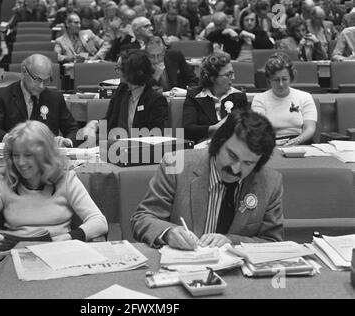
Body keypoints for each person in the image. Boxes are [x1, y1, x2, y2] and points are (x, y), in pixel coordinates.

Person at [131, 110, 283, 250]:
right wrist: (168, 233)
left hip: (238, 275)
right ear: (218, 143)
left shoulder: (270, 182)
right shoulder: (177, 164)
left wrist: (232, 241)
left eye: (248, 163)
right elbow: (142, 219)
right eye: (232, 156)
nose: (236, 169)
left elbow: (272, 242)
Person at [0, 121, 108, 250]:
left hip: (60, 252)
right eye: (16, 155)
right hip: (16, 256)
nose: (20, 162)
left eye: (28, 155)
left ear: (45, 155)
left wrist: (68, 238)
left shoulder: (66, 179)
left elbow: (99, 222)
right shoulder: (5, 181)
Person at [0, 54, 80, 146]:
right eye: (37, 80)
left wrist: (68, 142)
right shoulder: (3, 96)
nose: (41, 86)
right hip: (15, 154)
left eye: (46, 81)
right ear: (24, 71)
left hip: (46, 157)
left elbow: (72, 128)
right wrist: (11, 140)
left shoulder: (55, 98)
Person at [83, 49, 168, 138]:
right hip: (114, 145)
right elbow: (110, 120)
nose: (117, 73)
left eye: (119, 69)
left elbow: (155, 136)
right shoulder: (122, 90)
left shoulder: (156, 100)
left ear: (132, 73)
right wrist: (95, 124)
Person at [183, 51, 249, 144]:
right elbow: (187, 129)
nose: (233, 77)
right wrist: (213, 129)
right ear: (212, 78)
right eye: (228, 74)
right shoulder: (194, 96)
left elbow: (246, 128)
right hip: (202, 146)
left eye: (233, 73)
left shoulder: (239, 96)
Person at [251, 53, 317, 146]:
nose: (281, 84)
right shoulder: (260, 99)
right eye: (276, 80)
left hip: (301, 142)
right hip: (271, 144)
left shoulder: (305, 97)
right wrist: (272, 143)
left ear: (291, 78)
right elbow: (259, 131)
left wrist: (296, 141)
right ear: (269, 80)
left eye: (285, 79)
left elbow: (310, 129)